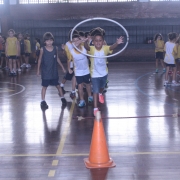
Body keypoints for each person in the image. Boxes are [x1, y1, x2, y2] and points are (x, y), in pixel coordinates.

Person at [84, 30, 123, 116]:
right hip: (94, 74)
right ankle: (95, 108)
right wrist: (85, 42)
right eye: (96, 40)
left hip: (104, 73)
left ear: (103, 41)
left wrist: (117, 43)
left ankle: (101, 94)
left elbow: (111, 47)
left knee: (101, 88)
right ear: (93, 42)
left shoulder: (105, 48)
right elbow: (87, 47)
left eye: (100, 40)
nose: (98, 42)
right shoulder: (92, 49)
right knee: (95, 91)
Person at [37, 32, 67, 110]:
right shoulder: (42, 49)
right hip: (46, 72)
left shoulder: (55, 49)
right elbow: (40, 59)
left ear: (53, 40)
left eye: (50, 40)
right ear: (44, 41)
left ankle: (62, 98)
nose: (49, 42)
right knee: (44, 87)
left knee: (58, 86)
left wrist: (62, 67)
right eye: (47, 41)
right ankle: (43, 101)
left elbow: (57, 58)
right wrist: (38, 70)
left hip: (54, 72)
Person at [69, 34, 93, 107]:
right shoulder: (71, 51)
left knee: (88, 84)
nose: (76, 42)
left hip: (86, 70)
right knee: (80, 86)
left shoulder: (84, 48)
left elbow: (89, 56)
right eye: (74, 41)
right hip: (78, 71)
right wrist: (69, 68)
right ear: (72, 43)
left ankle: (90, 97)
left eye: (77, 40)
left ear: (80, 41)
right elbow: (69, 60)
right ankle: (82, 100)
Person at [60, 29, 78, 98]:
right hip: (71, 63)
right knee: (69, 75)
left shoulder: (78, 42)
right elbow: (66, 55)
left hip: (77, 62)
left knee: (73, 76)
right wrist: (63, 50)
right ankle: (62, 86)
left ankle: (63, 86)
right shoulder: (68, 44)